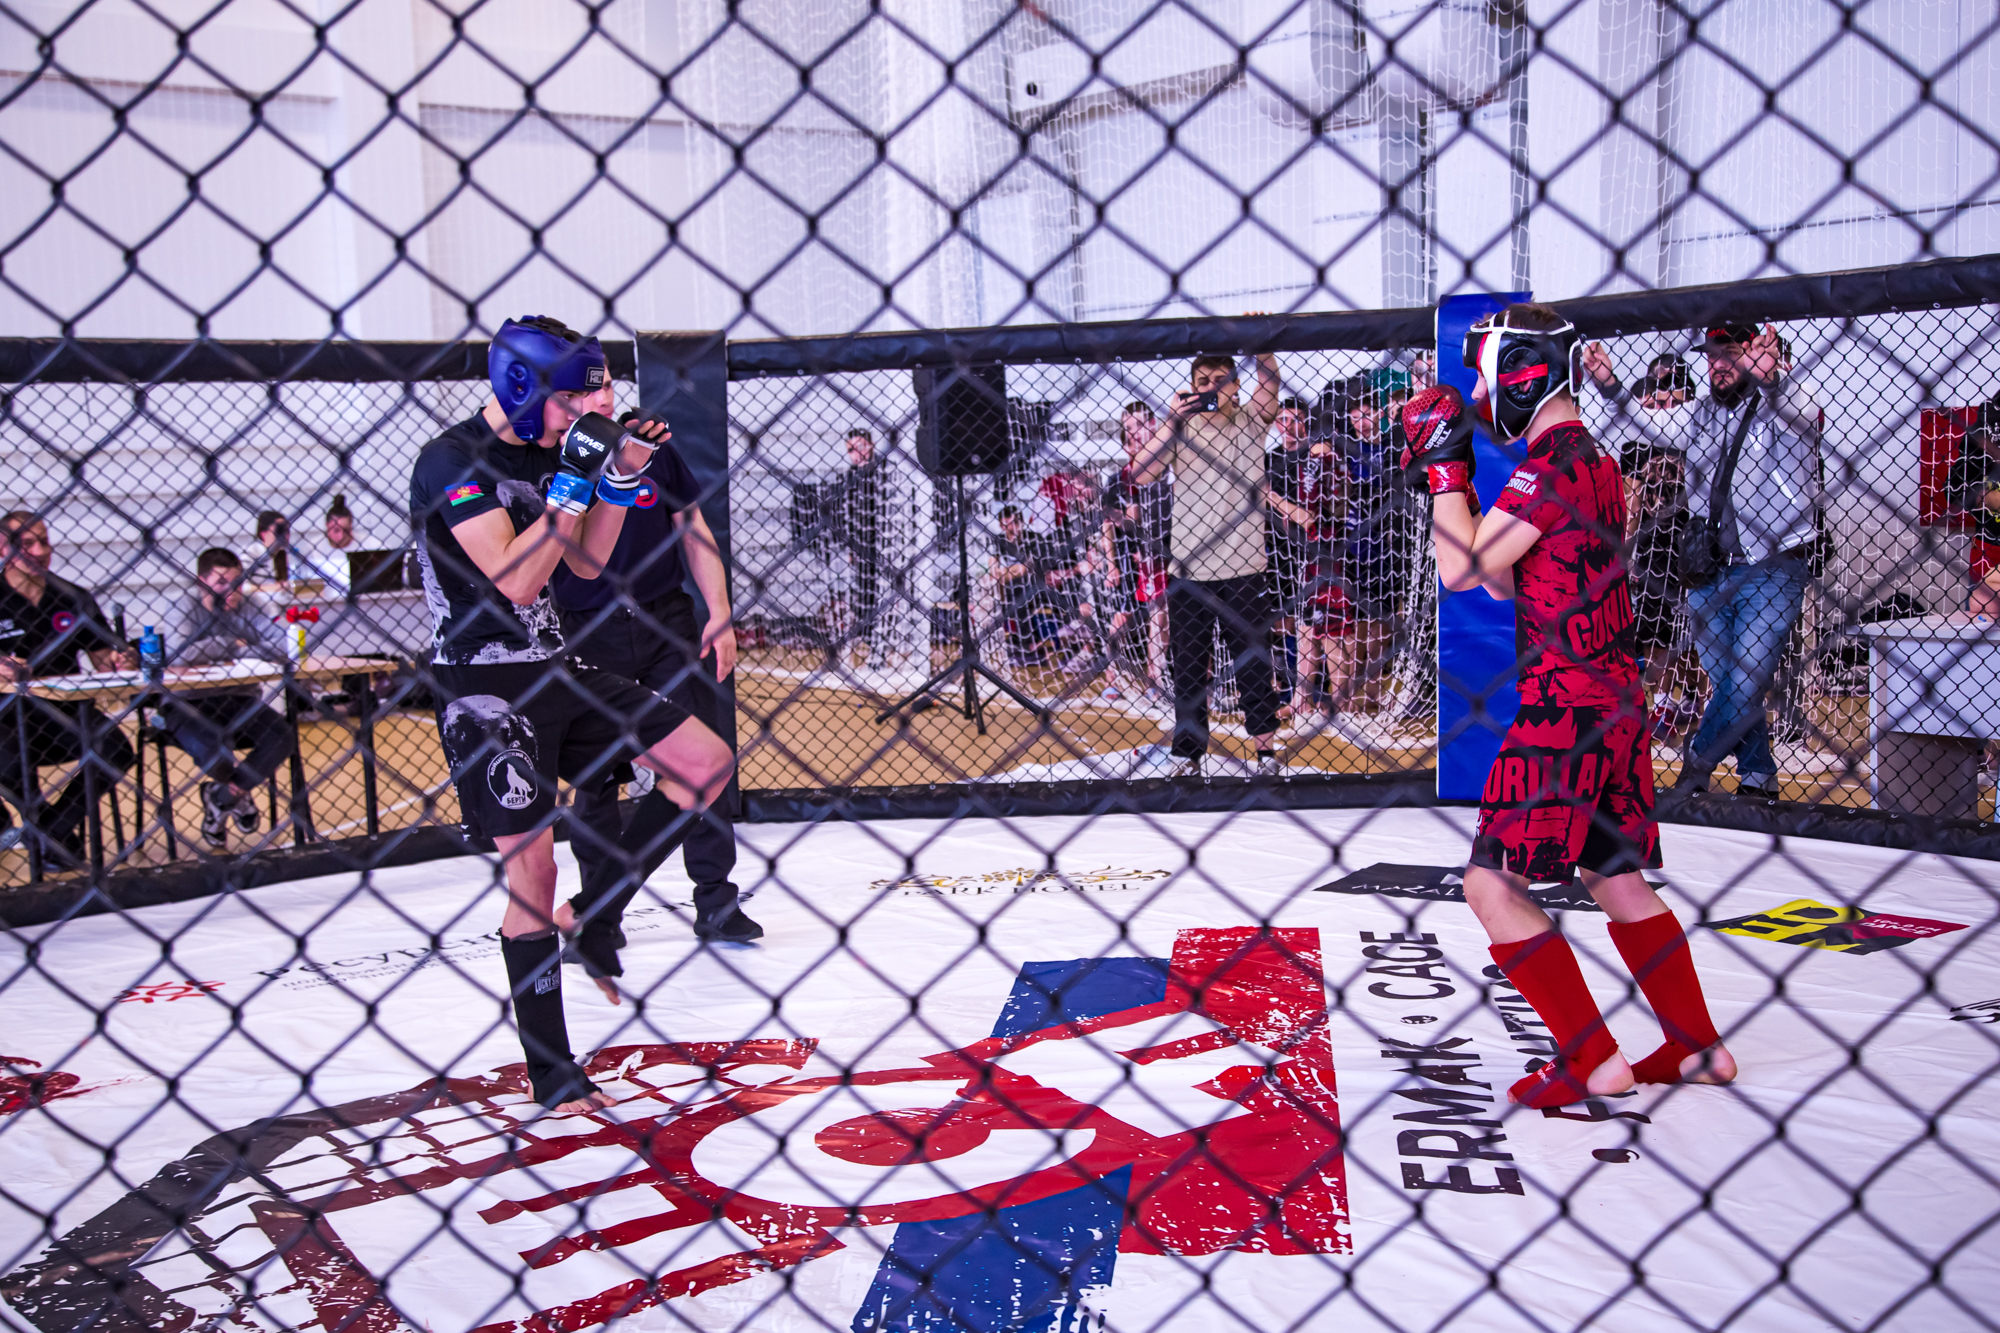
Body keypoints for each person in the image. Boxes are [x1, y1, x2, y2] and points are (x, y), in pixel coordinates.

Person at [1401, 301, 1735, 1108]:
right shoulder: (1595, 462)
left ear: (1520, 374)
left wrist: (1445, 474)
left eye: (1486, 381)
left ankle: (1592, 1059)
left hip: (1565, 705)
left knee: (1491, 885)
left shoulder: (1547, 467)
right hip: (1615, 699)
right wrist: (1457, 495)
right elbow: (1502, 579)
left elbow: (1459, 572)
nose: (1481, 402)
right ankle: (1697, 1046)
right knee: (1613, 874)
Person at [410, 314, 734, 1114]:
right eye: (568, 400)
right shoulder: (451, 460)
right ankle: (552, 1069)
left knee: (704, 762)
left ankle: (592, 915)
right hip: (483, 687)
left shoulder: (555, 450)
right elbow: (516, 580)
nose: (580, 414)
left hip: (556, 667)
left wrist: (617, 476)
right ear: (523, 390)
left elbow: (585, 563)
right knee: (534, 872)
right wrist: (569, 486)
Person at [549, 409, 761, 956]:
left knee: (701, 756)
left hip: (664, 619)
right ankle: (598, 911)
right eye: (585, 388)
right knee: (597, 778)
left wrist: (720, 610)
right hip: (586, 627)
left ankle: (716, 900)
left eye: (604, 384)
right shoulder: (553, 458)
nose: (598, 396)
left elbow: (692, 526)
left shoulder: (651, 447)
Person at [1667, 323, 1824, 800]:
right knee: (1731, 684)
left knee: (1744, 681)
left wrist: (1773, 381)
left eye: (1731, 353)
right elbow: (1645, 423)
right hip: (1710, 568)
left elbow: (1803, 411)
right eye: (1712, 355)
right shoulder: (1702, 412)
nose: (1718, 364)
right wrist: (1609, 388)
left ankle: (1697, 762)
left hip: (1773, 567)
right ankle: (1758, 775)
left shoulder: (1788, 404)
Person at [1133, 347, 1284, 775]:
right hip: (1189, 571)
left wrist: (1263, 349)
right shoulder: (1181, 428)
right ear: (1190, 388)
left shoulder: (1251, 419)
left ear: (1235, 386)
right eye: (1203, 382)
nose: (1212, 388)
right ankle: (1188, 754)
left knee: (1253, 665)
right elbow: (1140, 474)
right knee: (1188, 670)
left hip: (1244, 567)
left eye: (1221, 380)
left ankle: (1265, 753)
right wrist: (1170, 422)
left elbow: (1269, 387)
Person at [0, 512, 136, 861]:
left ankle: (53, 830)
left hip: (65, 711)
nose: (40, 551)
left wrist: (122, 660)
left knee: (117, 749)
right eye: (27, 544)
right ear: (3, 549)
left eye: (44, 541)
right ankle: (46, 832)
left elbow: (104, 659)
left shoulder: (74, 597)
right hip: (6, 715)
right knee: (7, 759)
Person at [165, 548, 299, 848]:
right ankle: (239, 795)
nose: (233, 590)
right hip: (188, 702)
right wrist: (230, 644)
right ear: (202, 583)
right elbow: (178, 655)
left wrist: (231, 649)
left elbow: (281, 647)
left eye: (238, 582)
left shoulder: (252, 604)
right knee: (210, 747)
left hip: (240, 699)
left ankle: (224, 796)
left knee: (282, 737)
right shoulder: (182, 606)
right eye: (222, 583)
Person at [1101, 401, 1171, 693]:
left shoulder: (1166, 472)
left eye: (1139, 426)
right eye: (1128, 430)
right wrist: (1112, 564)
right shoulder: (1118, 480)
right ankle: (1112, 673)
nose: (1134, 435)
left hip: (1158, 554)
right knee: (1124, 617)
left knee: (1161, 614)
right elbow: (1109, 525)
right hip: (1128, 557)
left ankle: (1156, 677)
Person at [840, 428, 885, 665]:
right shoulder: (850, 476)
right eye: (850, 450)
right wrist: (851, 547)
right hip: (861, 544)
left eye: (859, 447)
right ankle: (871, 642)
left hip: (883, 542)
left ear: (870, 445)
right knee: (864, 593)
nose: (855, 454)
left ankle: (883, 642)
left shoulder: (883, 470)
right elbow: (849, 513)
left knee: (884, 592)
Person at [1953, 410, 2000, 616]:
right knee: (1981, 605)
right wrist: (1990, 499)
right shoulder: (1986, 426)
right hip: (1989, 550)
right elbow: (1955, 490)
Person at [255, 510, 290, 585]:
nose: (284, 535)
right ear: (263, 533)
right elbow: (240, 585)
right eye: (279, 531)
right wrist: (273, 588)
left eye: (286, 530)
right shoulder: (253, 552)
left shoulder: (282, 553)